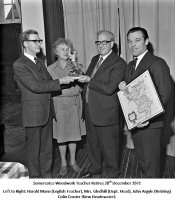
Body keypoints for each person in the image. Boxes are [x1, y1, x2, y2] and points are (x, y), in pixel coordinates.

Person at [13, 29, 78, 178]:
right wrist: (61, 80)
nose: (38, 44)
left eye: (39, 41)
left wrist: (68, 77)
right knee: (34, 150)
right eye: (34, 41)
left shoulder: (40, 62)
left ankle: (47, 176)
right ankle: (36, 179)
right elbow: (36, 86)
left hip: (47, 111)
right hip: (33, 113)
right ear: (25, 44)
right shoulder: (19, 64)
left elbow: (49, 82)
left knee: (47, 149)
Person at [119, 27, 172, 178]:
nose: (132, 45)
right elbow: (134, 94)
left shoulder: (158, 63)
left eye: (137, 40)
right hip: (136, 123)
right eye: (130, 41)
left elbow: (164, 95)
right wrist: (124, 88)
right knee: (143, 162)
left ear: (146, 42)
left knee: (151, 166)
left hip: (150, 124)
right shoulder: (130, 65)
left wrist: (146, 117)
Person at [78, 30, 127, 178]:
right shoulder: (95, 59)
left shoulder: (119, 63)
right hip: (90, 109)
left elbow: (109, 87)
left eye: (104, 42)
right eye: (98, 42)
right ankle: (95, 168)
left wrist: (89, 80)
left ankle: (113, 173)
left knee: (110, 146)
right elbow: (88, 82)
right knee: (93, 144)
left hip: (106, 111)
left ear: (112, 43)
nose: (100, 45)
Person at [47, 38, 86, 176]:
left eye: (67, 49)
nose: (65, 51)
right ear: (56, 52)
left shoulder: (76, 66)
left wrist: (74, 62)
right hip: (59, 105)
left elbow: (82, 86)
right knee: (62, 136)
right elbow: (49, 89)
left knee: (73, 135)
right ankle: (63, 162)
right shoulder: (50, 69)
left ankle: (73, 162)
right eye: (62, 49)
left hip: (74, 105)